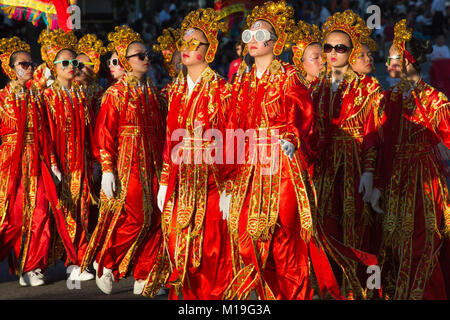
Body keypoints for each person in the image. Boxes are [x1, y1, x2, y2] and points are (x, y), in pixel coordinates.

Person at [222, 1, 319, 300]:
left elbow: (301, 111)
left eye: (260, 35)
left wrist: (292, 136)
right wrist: (228, 179)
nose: (252, 40)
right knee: (246, 238)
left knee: (285, 237)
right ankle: (271, 295)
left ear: (276, 43)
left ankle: (295, 294)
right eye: (249, 34)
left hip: (281, 164)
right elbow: (233, 127)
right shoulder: (242, 80)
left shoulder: (289, 76)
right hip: (250, 165)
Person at [154, 8, 234, 300]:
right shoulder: (175, 90)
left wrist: (228, 186)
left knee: (212, 248)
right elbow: (169, 140)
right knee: (177, 243)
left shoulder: (222, 90)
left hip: (212, 181)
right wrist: (164, 181)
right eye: (183, 43)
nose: (186, 49)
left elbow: (229, 140)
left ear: (209, 49)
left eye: (195, 43)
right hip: (180, 178)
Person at [81, 25, 166, 296]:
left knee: (158, 219)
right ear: (126, 62)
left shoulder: (152, 92)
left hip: (153, 162)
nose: (146, 59)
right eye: (139, 56)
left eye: (147, 54)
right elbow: (104, 132)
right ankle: (107, 261)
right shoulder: (116, 94)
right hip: (129, 163)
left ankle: (144, 275)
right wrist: (107, 169)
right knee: (138, 217)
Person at [371, 19, 450, 300]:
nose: (389, 64)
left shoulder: (434, 100)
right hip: (394, 179)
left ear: (409, 60)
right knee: (394, 243)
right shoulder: (387, 98)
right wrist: (377, 183)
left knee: (423, 241)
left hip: (424, 182)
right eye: (389, 59)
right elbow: (380, 145)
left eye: (394, 59)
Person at [310, 10, 384, 299]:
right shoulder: (317, 86)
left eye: (339, 48)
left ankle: (358, 290)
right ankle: (329, 286)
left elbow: (372, 133)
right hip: (325, 166)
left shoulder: (369, 88)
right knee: (325, 224)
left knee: (355, 226)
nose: (332, 53)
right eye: (327, 47)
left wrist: (368, 172)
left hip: (354, 163)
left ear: (351, 52)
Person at [0, 36, 77, 287]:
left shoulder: (35, 96)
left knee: (41, 212)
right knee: (13, 219)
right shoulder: (3, 98)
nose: (29, 68)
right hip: (12, 162)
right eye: (23, 64)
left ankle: (31, 267)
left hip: (38, 161)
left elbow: (44, 132)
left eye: (31, 64)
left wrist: (53, 163)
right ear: (10, 68)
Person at [38, 28, 95, 282]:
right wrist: (52, 164)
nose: (72, 66)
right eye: (66, 63)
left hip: (80, 164)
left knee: (81, 210)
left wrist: (93, 161)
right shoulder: (47, 97)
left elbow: (89, 131)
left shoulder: (81, 94)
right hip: (58, 163)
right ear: (54, 66)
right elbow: (45, 134)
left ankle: (77, 261)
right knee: (56, 212)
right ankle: (39, 263)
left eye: (75, 62)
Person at [75, 33, 107, 119]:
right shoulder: (68, 89)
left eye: (80, 65)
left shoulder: (100, 93)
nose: (76, 69)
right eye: (74, 64)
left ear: (94, 67)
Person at [292, 20, 324, 87]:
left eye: (323, 56)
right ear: (299, 63)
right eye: (315, 57)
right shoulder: (294, 92)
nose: (322, 61)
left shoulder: (331, 88)